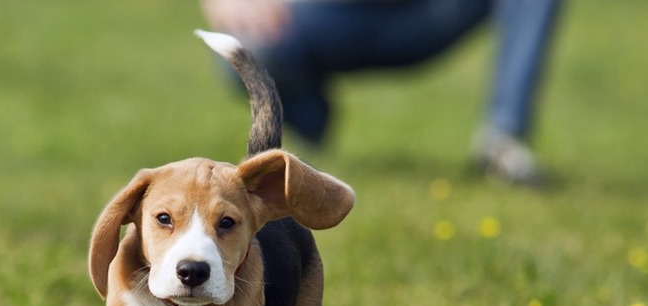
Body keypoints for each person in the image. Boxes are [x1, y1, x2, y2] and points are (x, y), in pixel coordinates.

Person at [200, 0, 564, 186]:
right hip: (330, 16)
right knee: (245, 50)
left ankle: (503, 140)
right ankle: (307, 130)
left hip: (429, 14)